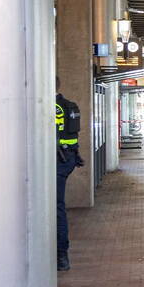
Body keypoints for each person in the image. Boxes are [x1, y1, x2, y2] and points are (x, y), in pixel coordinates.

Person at [56, 77, 84, 271]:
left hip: (56, 161)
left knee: (56, 207)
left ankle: (61, 254)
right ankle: (60, 254)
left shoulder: (54, 108)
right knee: (57, 206)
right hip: (68, 158)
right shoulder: (69, 105)